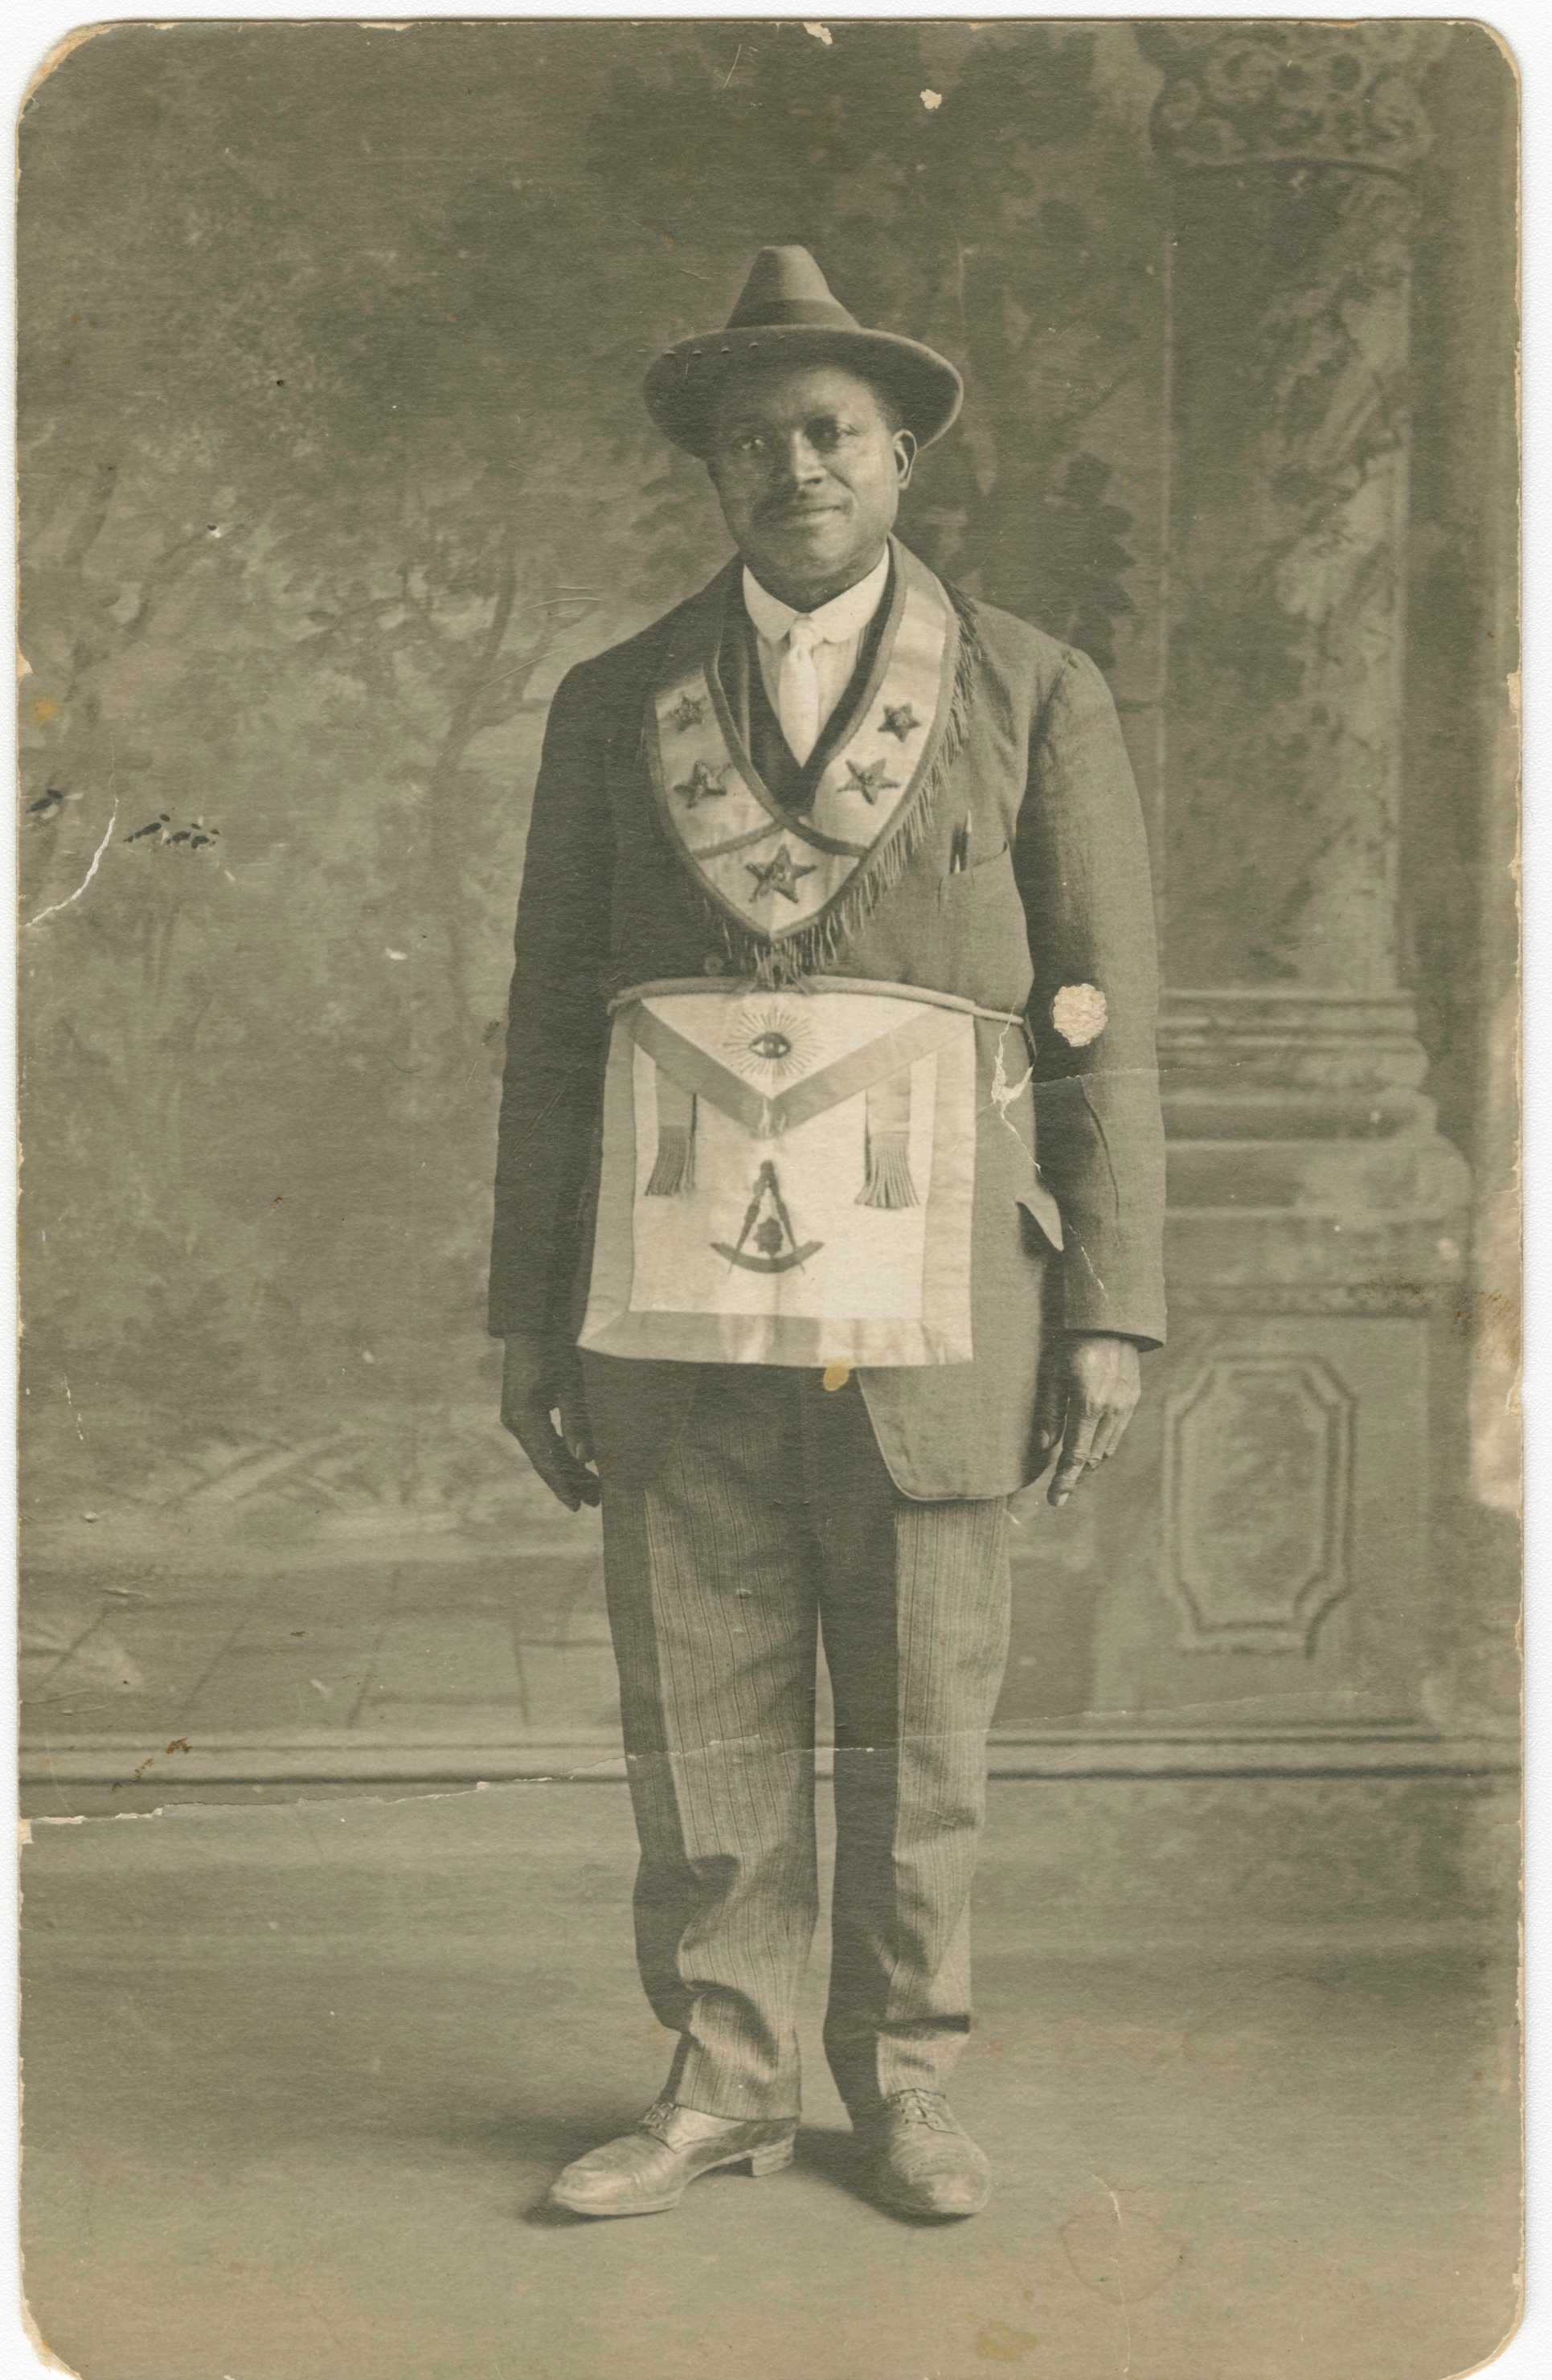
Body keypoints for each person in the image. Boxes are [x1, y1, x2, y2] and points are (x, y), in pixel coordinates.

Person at [488, 246, 1165, 2222]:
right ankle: (721, 2083)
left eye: (832, 430)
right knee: (697, 1702)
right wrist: (529, 1316)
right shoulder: (619, 700)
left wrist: (1114, 1305)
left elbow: (1107, 1014)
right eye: (756, 438)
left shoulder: (1034, 688)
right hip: (671, 1281)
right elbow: (546, 1031)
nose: (796, 463)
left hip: (948, 1289)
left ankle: (911, 2087)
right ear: (714, 472)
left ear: (899, 459)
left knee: (926, 1709)